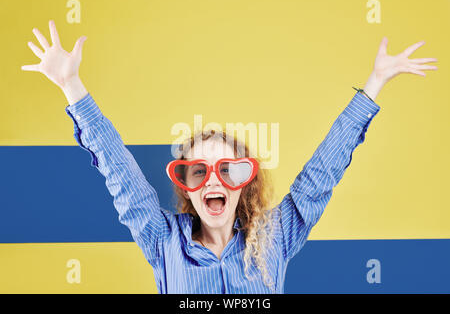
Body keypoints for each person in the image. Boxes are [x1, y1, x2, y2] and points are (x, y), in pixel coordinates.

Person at [22, 20, 438, 293]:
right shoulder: (163, 240)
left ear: (246, 181)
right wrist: (71, 86)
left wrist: (375, 84)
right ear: (186, 184)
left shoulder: (275, 237)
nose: (214, 181)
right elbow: (119, 171)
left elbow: (321, 173)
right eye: (199, 171)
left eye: (228, 169)